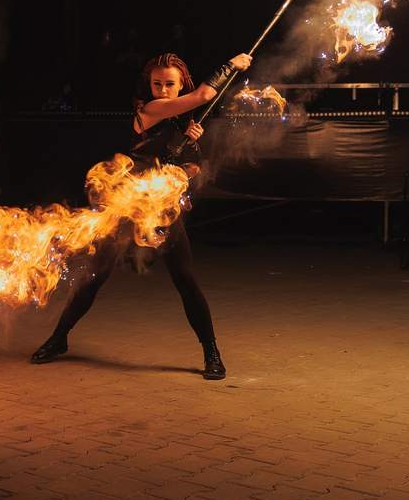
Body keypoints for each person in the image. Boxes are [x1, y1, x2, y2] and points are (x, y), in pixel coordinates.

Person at [30, 51, 252, 380]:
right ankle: (58, 339)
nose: (162, 90)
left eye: (169, 84)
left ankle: (211, 352)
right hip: (126, 209)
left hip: (161, 213)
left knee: (186, 280)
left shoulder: (184, 124)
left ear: (181, 84)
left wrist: (187, 153)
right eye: (156, 84)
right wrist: (231, 65)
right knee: (94, 278)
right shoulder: (147, 111)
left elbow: (191, 170)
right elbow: (205, 95)